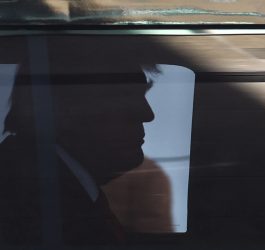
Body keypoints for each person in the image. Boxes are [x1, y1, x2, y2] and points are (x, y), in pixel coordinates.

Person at [0, 37, 155, 246]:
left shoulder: (51, 190)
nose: (148, 113)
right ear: (63, 108)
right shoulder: (27, 202)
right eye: (125, 96)